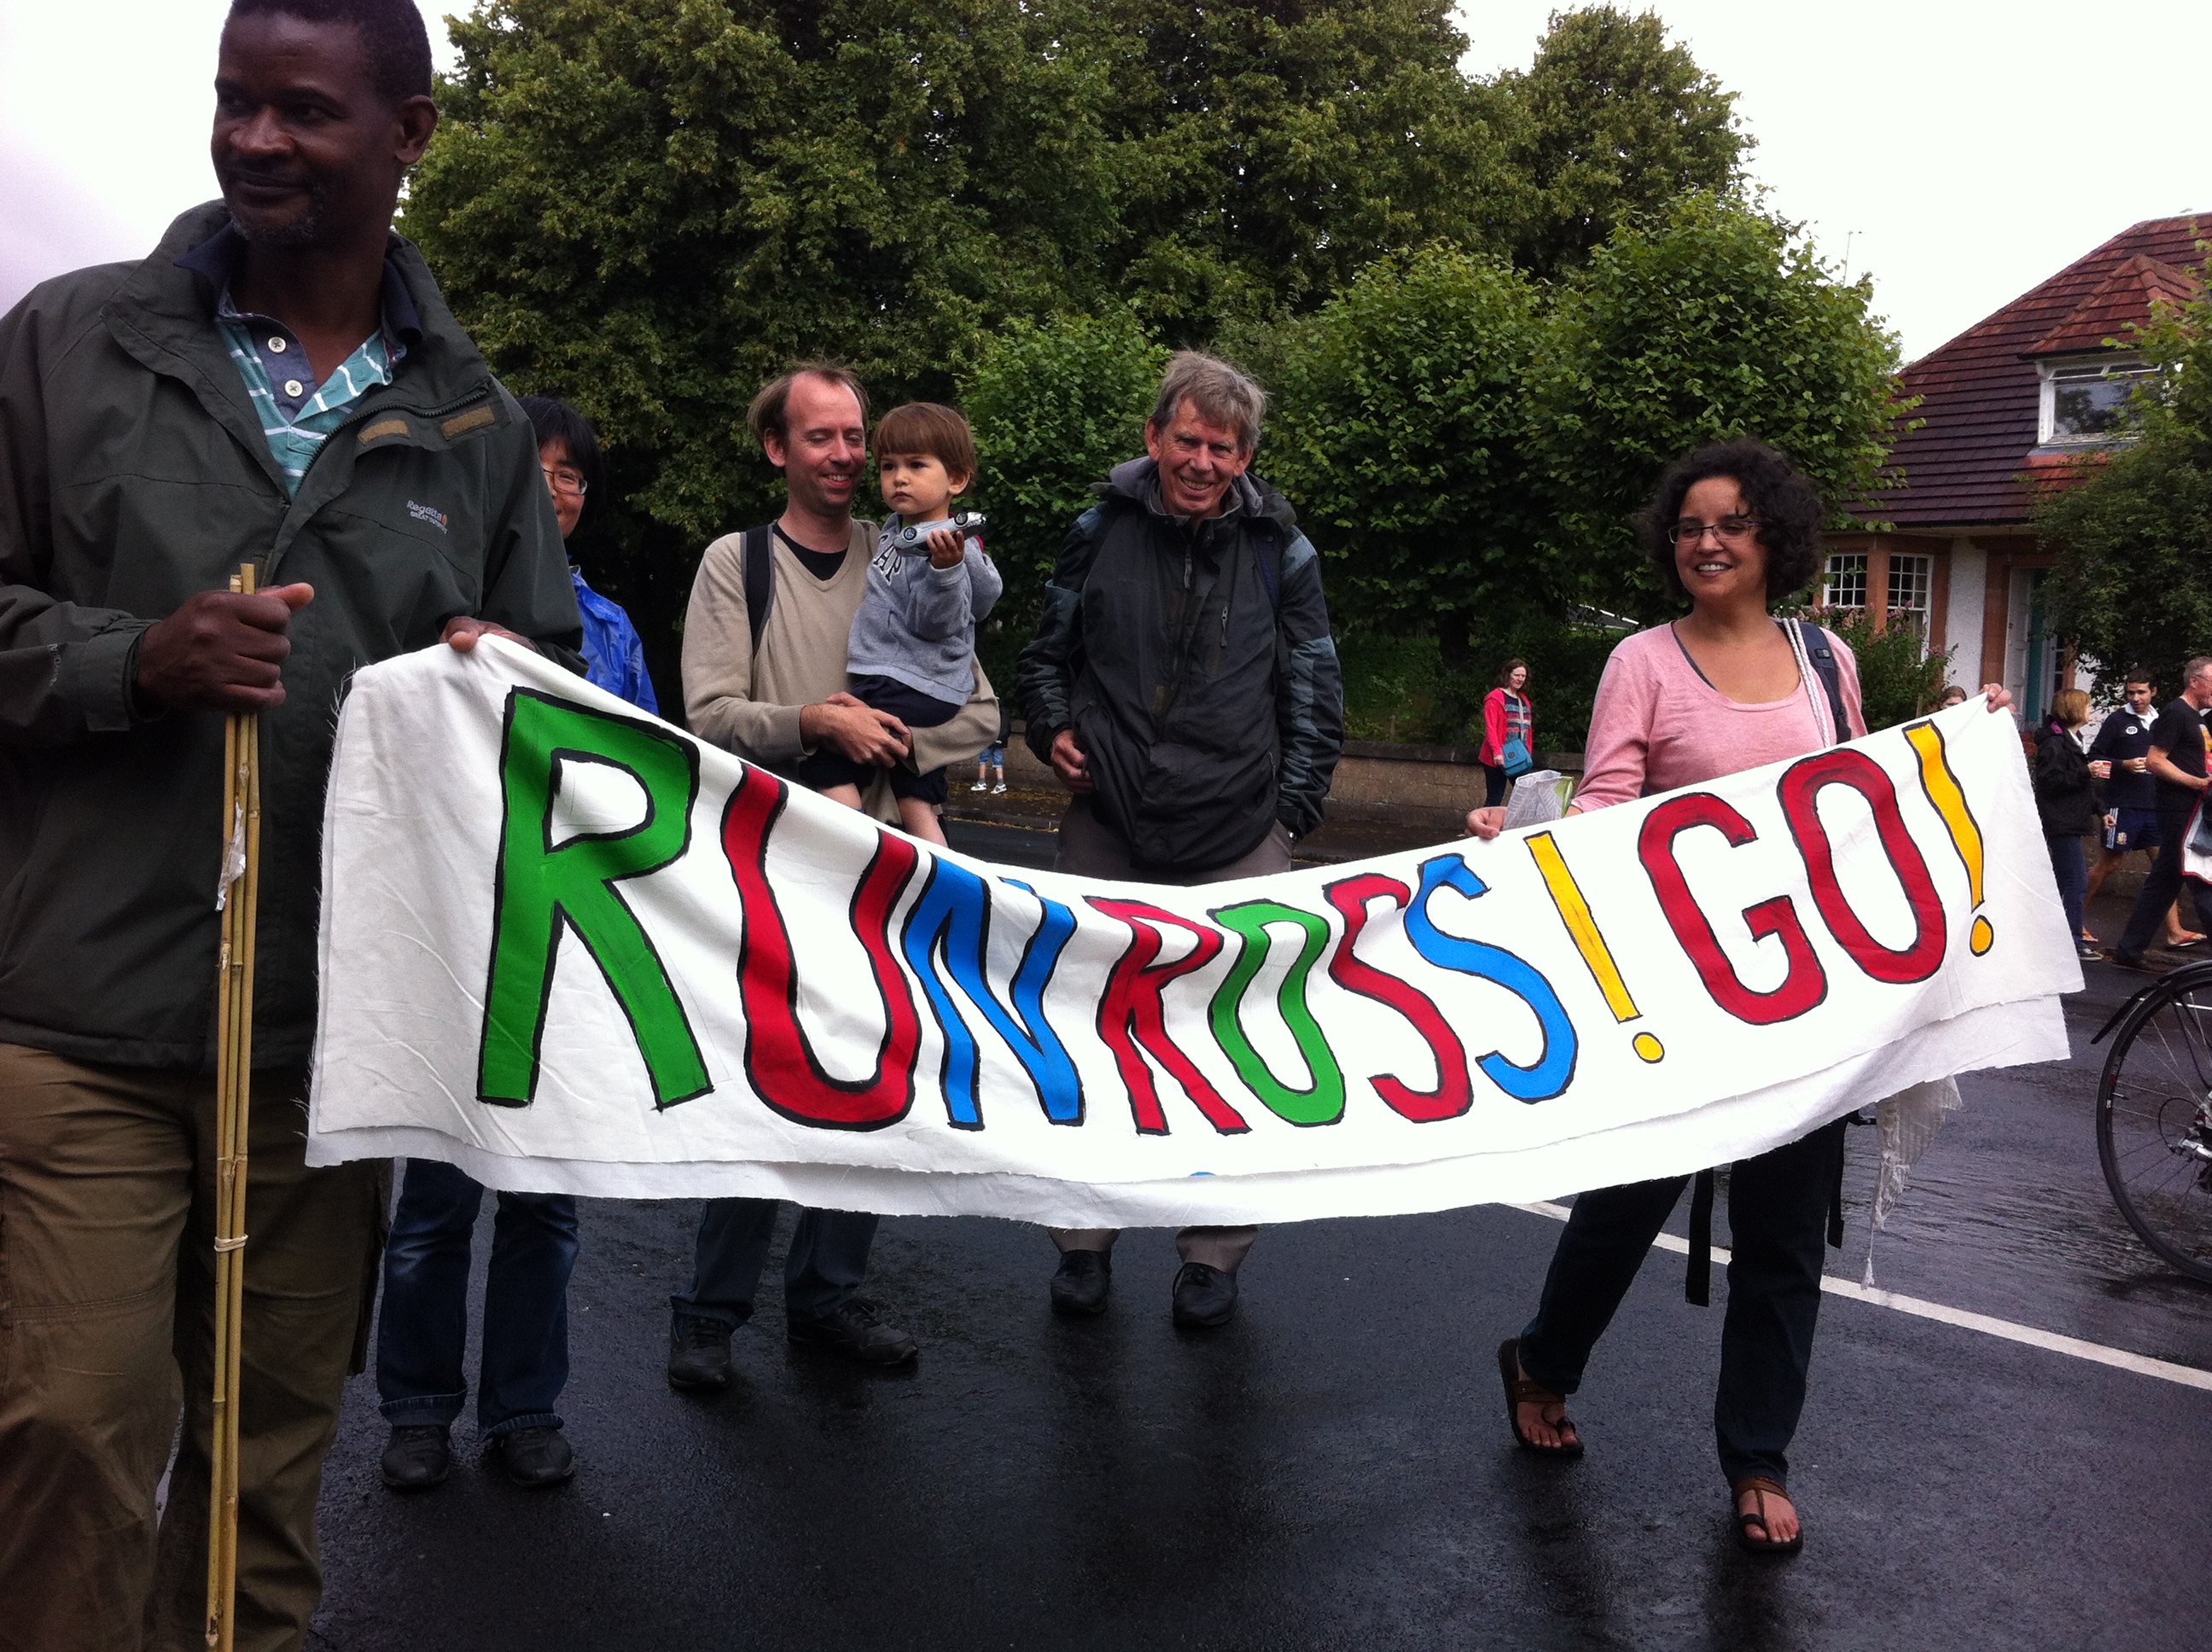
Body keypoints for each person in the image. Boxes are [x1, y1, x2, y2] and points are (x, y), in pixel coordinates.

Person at [0, 3, 584, 1645]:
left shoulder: (472, 422)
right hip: (78, 1021)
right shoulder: (65, 340)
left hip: (324, 1055)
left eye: (304, 111)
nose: (255, 139)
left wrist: (498, 683)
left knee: (263, 1467)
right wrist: (135, 660)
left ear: (408, 136)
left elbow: (545, 725)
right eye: (234, 103)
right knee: (69, 1428)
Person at [1464, 437, 2011, 1557]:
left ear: (1773, 540)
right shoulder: (1644, 663)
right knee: (1623, 1209)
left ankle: (1757, 1458)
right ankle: (1544, 1360)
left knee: (1784, 1231)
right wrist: (1523, 836)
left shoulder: (1825, 660)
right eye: (1690, 526)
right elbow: (1610, 803)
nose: (1707, 542)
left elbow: (1867, 796)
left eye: (1732, 524)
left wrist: (1969, 745)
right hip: (1672, 996)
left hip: (1803, 1001)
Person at [671, 364, 999, 1386]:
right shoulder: (738, 563)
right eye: (823, 438)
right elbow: (710, 714)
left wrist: (887, 738)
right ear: (779, 450)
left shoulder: (913, 548)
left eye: (860, 437)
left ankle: (828, 1296)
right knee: (763, 1086)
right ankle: (711, 1315)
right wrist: (812, 721)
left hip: (884, 878)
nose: (851, 456)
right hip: (771, 865)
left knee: (870, 1083)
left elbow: (984, 713)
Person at [1016, 351, 1344, 1328]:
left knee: (1235, 1048)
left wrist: (1290, 814)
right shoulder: (1096, 531)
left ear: (1247, 458)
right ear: (1155, 437)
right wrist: (1050, 727)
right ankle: (1083, 1240)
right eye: (1188, 440)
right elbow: (1045, 655)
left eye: (1225, 446)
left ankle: (1213, 1253)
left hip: (1239, 831)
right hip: (1108, 827)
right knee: (1090, 1035)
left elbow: (1315, 683)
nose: (1203, 461)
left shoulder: (1284, 551)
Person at [373, 398, 647, 1497]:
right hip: (451, 944)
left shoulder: (614, 631)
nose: (561, 491)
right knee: (435, 1205)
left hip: (568, 951)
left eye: (575, 476)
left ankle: (525, 1410)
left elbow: (647, 780)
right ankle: (415, 1412)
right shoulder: (426, 617)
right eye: (542, 471)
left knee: (546, 1203)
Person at [796, 402, 1000, 845]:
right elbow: (987, 596)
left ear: (957, 480)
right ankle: (942, 872)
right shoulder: (899, 529)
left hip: (907, 683)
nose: (899, 477)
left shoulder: (940, 547)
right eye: (889, 466)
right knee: (915, 790)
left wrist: (946, 573)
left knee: (822, 756)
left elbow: (937, 624)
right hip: (914, 682)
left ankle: (857, 845)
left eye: (916, 465)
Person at [2110, 657, 2212, 971]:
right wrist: (2197, 782)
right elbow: (2155, 761)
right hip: (2179, 809)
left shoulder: (2197, 718)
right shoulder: (2176, 713)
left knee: (2165, 881)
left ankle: (2129, 948)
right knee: (2201, 879)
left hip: (2192, 808)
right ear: (2195, 681)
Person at [2085, 672, 2199, 950]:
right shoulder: (2117, 721)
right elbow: (2093, 758)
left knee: (2166, 867)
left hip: (2154, 808)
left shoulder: (2162, 720)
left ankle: (2174, 931)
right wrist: (2123, 765)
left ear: (2154, 692)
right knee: (2110, 863)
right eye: (2131, 693)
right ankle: (2073, 918)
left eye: (2141, 693)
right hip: (2123, 805)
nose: (2136, 698)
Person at [2036, 690, 2104, 965]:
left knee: (2070, 883)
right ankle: (2072, 940)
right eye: (2087, 706)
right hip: (2060, 822)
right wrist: (2086, 771)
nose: (2090, 711)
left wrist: (2100, 811)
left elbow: (2078, 787)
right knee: (2076, 883)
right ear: (2075, 709)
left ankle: (2062, 937)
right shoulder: (2055, 744)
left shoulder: (2071, 740)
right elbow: (2049, 781)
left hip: (2070, 820)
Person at [1478, 659, 1534, 807]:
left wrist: (1528, 753)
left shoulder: (1524, 700)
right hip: (1497, 758)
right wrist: (1497, 752)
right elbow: (1491, 728)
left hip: (1519, 757)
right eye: (1517, 675)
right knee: (1495, 798)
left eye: (1523, 676)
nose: (1520, 679)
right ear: (1508, 675)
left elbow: (1528, 730)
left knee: (1526, 797)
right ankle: (1483, 829)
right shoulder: (1495, 698)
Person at [974, 701, 1011, 793]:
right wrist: (1002, 739)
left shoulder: (990, 713)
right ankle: (1000, 784)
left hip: (989, 740)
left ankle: (982, 782)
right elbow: (1008, 729)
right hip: (1000, 741)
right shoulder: (1005, 715)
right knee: (998, 763)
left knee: (983, 760)